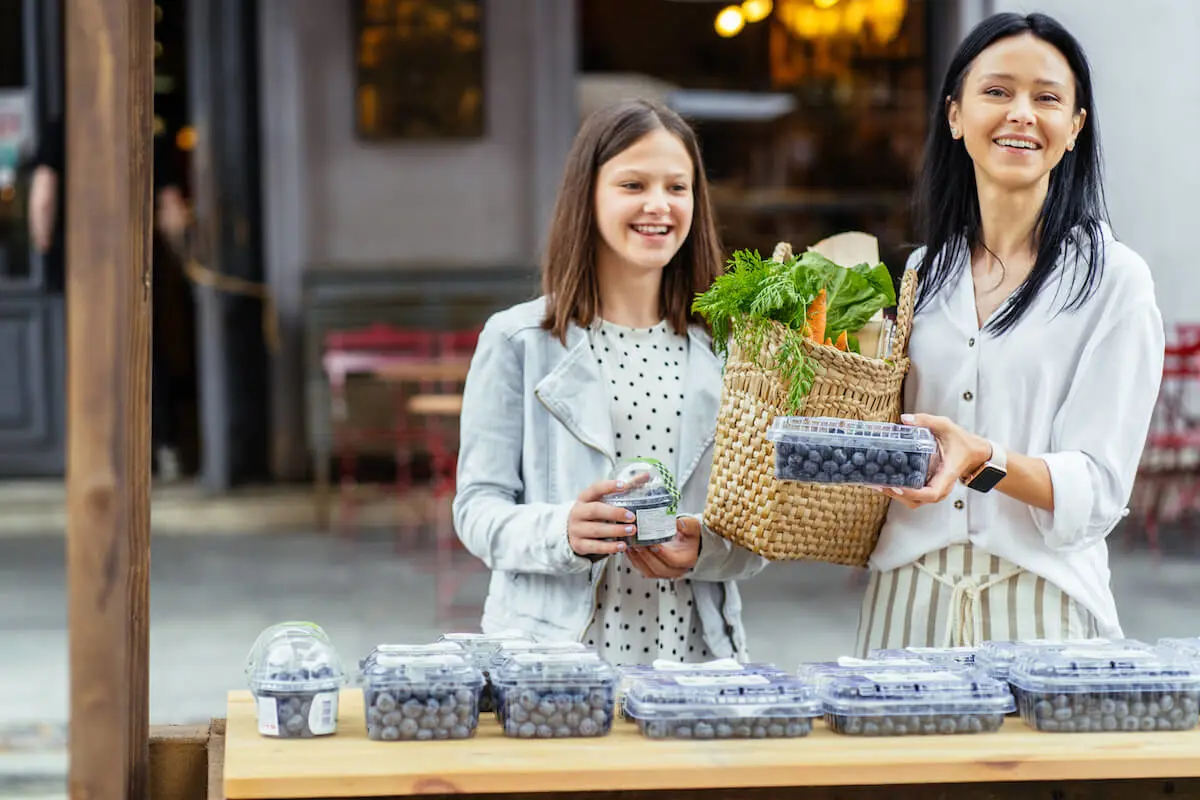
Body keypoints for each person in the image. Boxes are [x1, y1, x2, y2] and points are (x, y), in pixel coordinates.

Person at [855, 13, 1164, 654]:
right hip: (907, 607)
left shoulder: (1116, 282)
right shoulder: (921, 274)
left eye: (1047, 98)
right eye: (997, 92)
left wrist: (983, 462)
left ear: (1074, 128)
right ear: (955, 116)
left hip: (1042, 610)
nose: (1021, 113)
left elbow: (1099, 489)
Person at [452, 99, 768, 665]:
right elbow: (477, 509)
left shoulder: (731, 351)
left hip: (695, 668)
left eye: (678, 187)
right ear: (588, 195)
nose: (658, 205)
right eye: (632, 184)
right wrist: (563, 531)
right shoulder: (518, 340)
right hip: (550, 668)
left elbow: (758, 534)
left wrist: (704, 548)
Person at [28, 116, 190, 479]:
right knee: (145, 355)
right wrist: (184, 256)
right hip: (133, 264)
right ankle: (163, 448)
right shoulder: (144, 125)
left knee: (91, 361)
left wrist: (45, 245)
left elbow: (43, 195)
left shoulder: (63, 124)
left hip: (80, 267)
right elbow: (171, 206)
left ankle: (99, 454)